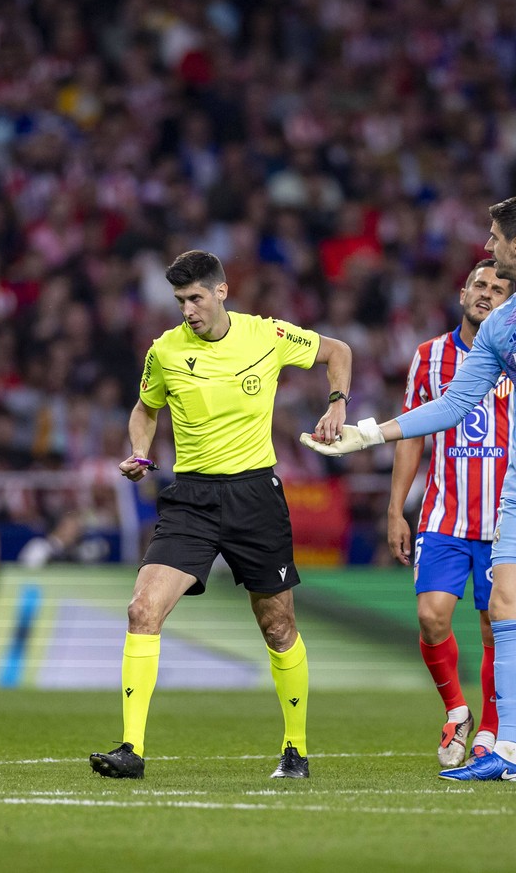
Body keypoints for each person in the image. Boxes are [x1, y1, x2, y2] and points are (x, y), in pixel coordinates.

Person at [302, 196, 516, 782]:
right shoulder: (505, 326)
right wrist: (369, 434)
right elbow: (456, 404)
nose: (486, 248)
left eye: (493, 238)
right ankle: (509, 752)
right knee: (510, 610)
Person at [90, 249, 353, 780]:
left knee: (277, 625)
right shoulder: (164, 351)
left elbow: (338, 350)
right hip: (192, 498)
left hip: (255, 496)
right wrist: (141, 450)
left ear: (221, 292)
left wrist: (337, 402)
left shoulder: (268, 336)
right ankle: (131, 749)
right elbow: (145, 408)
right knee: (143, 610)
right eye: (180, 301)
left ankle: (295, 750)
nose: (188, 310)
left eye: (195, 298)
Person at [386, 258, 515, 768]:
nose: (486, 293)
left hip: (506, 521)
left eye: (499, 289)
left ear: (512, 302)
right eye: (479, 285)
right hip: (444, 516)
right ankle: (457, 710)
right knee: (431, 616)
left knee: (494, 630)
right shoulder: (429, 356)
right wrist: (397, 508)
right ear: (463, 293)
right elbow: (411, 434)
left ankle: (488, 732)